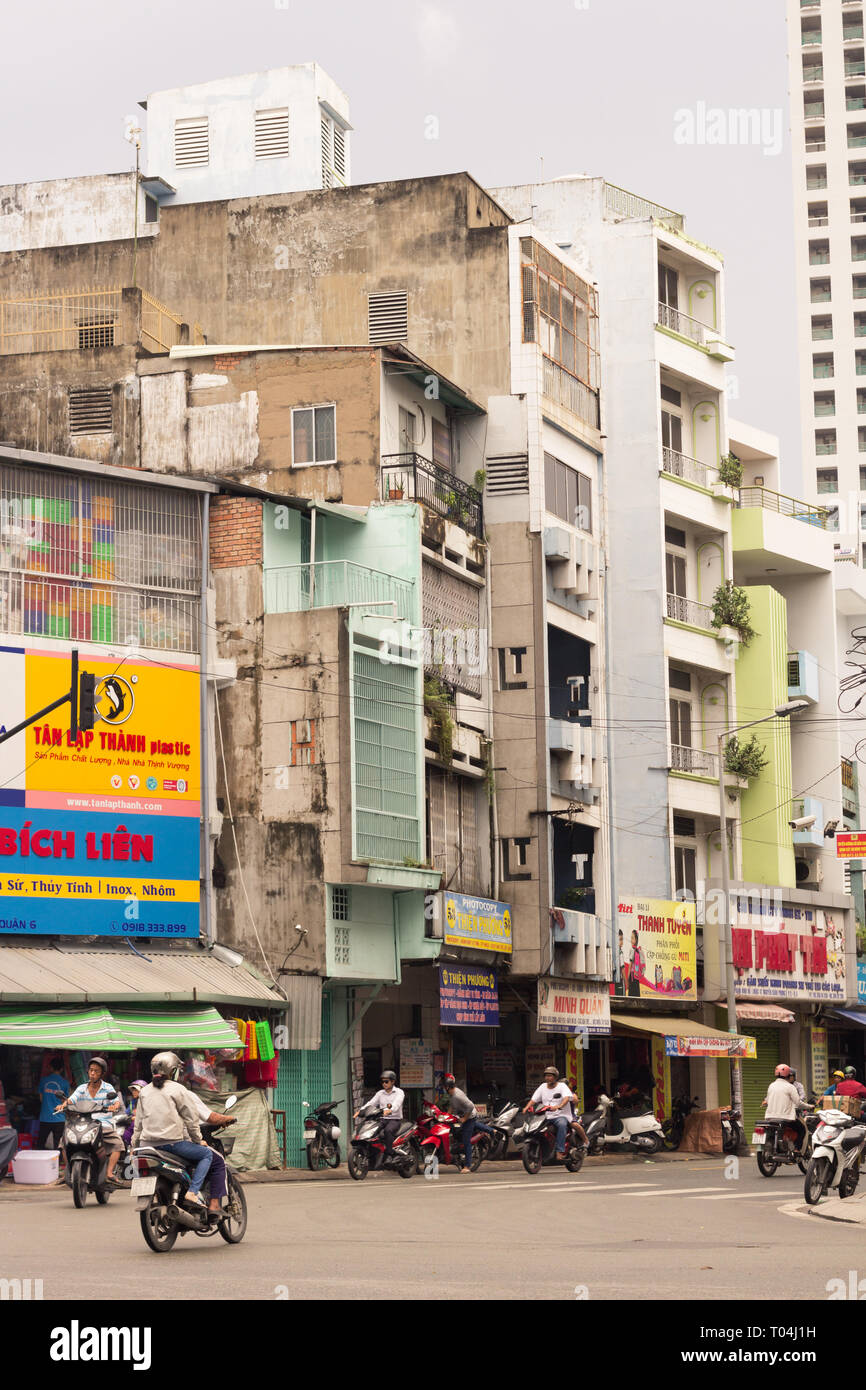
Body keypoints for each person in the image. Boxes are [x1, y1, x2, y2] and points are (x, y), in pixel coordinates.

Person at [131, 1052, 213, 1209]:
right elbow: (191, 1120)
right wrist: (198, 1140)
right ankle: (193, 1192)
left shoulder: (145, 1091)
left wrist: (134, 1147)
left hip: (146, 1145)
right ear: (173, 1071)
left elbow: (138, 1125)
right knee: (206, 1154)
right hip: (172, 1144)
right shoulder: (178, 1089)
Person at [56, 1057, 125, 1184]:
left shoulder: (108, 1087)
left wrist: (114, 1106)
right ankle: (69, 1171)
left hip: (102, 1123)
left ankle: (109, 1173)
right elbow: (72, 1099)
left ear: (102, 1073)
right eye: (91, 1070)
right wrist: (63, 1105)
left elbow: (115, 1101)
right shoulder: (82, 1088)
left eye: (96, 1071)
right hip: (83, 1121)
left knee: (118, 1144)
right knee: (63, 1142)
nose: (92, 1073)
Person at [185, 1090, 236, 1214]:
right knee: (215, 1159)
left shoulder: (148, 1094)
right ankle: (212, 1204)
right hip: (177, 1142)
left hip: (150, 1145)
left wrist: (135, 1145)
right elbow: (202, 1120)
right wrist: (198, 1140)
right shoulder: (182, 1093)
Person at [443, 1075, 493, 1174]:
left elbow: (470, 1106)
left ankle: (467, 1166)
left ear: (448, 1087)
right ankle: (491, 1130)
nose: (444, 1089)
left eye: (445, 1087)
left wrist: (464, 1119)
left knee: (466, 1141)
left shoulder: (458, 1095)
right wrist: (445, 1117)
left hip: (470, 1115)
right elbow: (452, 1107)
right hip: (463, 1115)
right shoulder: (452, 1095)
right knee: (468, 1128)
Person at [523, 1066, 575, 1162]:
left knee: (562, 1125)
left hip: (560, 1115)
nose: (547, 1078)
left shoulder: (562, 1086)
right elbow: (534, 1099)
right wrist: (526, 1107)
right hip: (545, 1115)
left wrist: (559, 1105)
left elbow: (567, 1097)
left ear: (555, 1077)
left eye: (550, 1076)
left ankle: (560, 1151)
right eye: (546, 1076)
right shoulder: (542, 1086)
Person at [354, 1071, 404, 1157]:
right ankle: (374, 1153)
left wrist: (390, 1110)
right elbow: (371, 1103)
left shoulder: (399, 1092)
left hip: (394, 1120)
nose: (384, 1084)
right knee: (371, 1130)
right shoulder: (380, 1093)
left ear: (393, 1082)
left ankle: (389, 1153)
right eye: (382, 1082)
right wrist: (360, 1111)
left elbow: (396, 1104)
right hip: (382, 1119)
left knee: (388, 1130)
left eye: (386, 1081)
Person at [761, 1064, 806, 1150]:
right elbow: (798, 1102)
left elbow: (801, 1097)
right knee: (801, 1129)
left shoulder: (773, 1085)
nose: (791, 1078)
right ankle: (797, 1149)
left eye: (792, 1076)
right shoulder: (789, 1087)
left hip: (771, 1116)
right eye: (790, 1076)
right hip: (785, 1115)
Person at [37, 1056, 69, 1151]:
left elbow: (41, 1098)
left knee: (41, 1143)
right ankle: (58, 1163)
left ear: (51, 1067)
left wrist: (48, 1104)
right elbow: (65, 1101)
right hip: (59, 1118)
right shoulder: (65, 1083)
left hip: (45, 1117)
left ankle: (38, 1161)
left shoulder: (43, 1080)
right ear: (62, 1069)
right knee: (58, 1144)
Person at [122, 1080, 148, 1149]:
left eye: (136, 1090)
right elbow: (126, 1113)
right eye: (133, 1090)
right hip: (132, 1128)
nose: (134, 1092)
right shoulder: (133, 1102)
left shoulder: (147, 1101)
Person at [627, 930, 644, 998]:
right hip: (636, 976)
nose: (631, 940)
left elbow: (630, 964)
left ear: (636, 940)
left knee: (631, 995)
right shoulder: (638, 950)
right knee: (636, 994)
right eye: (631, 938)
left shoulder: (632, 950)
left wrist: (628, 978)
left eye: (632, 938)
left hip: (632, 975)